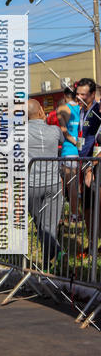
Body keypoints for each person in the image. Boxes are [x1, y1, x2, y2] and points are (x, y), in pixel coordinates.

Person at [27, 99, 64, 267]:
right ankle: (55, 254)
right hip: (53, 183)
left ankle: (48, 261)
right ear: (41, 111)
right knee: (47, 225)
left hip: (31, 185)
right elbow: (64, 140)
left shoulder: (19, 133)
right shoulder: (55, 130)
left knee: (40, 223)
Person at [75, 78, 101, 253]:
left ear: (92, 95)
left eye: (83, 95)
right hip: (83, 163)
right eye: (78, 94)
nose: (79, 97)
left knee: (97, 206)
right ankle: (91, 243)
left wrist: (92, 165)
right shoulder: (82, 111)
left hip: (94, 165)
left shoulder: (97, 110)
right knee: (86, 207)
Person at [56, 86, 80, 221]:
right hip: (77, 150)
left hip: (68, 149)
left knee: (67, 184)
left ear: (65, 95)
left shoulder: (62, 109)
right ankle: (74, 213)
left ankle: (72, 215)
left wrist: (71, 140)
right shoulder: (79, 108)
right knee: (74, 184)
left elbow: (64, 130)